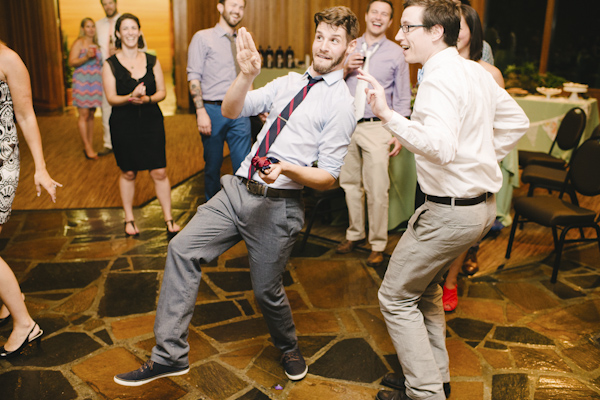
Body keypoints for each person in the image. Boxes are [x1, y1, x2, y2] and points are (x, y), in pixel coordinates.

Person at [113, 6, 358, 386]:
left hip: (278, 206)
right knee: (181, 249)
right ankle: (169, 356)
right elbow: (231, 109)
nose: (324, 46)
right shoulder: (288, 82)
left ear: (348, 46)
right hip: (237, 189)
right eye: (321, 37)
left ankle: (288, 344)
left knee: (265, 291)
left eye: (334, 40)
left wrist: (288, 169)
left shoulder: (341, 102)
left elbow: (328, 177)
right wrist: (245, 75)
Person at [358, 0, 529, 399]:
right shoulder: (474, 71)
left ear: (436, 32)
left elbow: (439, 147)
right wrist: (480, 158)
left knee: (395, 297)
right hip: (480, 209)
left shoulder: (437, 78)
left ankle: (424, 393)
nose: (399, 37)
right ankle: (437, 378)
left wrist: (387, 114)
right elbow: (516, 122)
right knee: (428, 290)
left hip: (450, 214)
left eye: (407, 28)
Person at [336, 0, 412, 267]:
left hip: (376, 127)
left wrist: (398, 132)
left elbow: (403, 96)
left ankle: (377, 244)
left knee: (378, 189)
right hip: (346, 125)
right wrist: (345, 67)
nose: (379, 17)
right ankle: (354, 234)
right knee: (349, 185)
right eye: (375, 12)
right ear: (366, 16)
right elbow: (329, 80)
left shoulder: (396, 52)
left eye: (385, 14)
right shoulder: (349, 46)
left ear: (390, 22)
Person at [441, 4, 506, 312]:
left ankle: (450, 281)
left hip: (473, 164)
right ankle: (431, 279)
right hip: (441, 161)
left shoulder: (490, 73)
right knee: (440, 224)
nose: (454, 31)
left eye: (460, 26)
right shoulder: (438, 68)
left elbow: (502, 124)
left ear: (473, 31)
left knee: (464, 227)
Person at [0, 41, 61, 358]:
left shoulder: (8, 59)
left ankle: (24, 323)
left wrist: (41, 168)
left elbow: (25, 115)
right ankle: (5, 302)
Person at [101, 14, 180, 238]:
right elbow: (110, 98)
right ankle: (129, 218)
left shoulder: (152, 60)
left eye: (133, 28)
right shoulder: (110, 65)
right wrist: (130, 97)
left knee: (160, 170)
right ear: (118, 34)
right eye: (124, 28)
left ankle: (169, 218)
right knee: (128, 172)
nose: (129, 32)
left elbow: (163, 92)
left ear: (139, 31)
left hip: (151, 121)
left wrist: (146, 99)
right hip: (123, 124)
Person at [187, 0, 252, 201]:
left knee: (244, 165)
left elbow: (248, 75)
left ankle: (244, 211)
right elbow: (194, 76)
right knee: (212, 167)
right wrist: (200, 112)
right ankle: (213, 214)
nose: (237, 11)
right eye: (233, 5)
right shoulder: (203, 37)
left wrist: (254, 105)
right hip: (213, 110)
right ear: (220, 6)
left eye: (241, 7)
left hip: (241, 110)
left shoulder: (243, 40)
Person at [69, 17, 103, 160]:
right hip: (82, 82)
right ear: (82, 28)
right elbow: (71, 62)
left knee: (91, 114)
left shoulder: (97, 45)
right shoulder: (79, 43)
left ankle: (90, 144)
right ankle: (87, 146)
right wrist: (86, 57)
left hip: (95, 82)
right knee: (83, 114)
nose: (91, 29)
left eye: (93, 26)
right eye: (88, 26)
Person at [95, 0, 120, 156]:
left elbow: (141, 45)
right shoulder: (98, 25)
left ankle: (127, 140)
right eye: (105, 4)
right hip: (105, 71)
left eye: (110, 3)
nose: (108, 6)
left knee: (127, 104)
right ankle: (108, 143)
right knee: (106, 107)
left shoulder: (126, 21)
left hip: (124, 69)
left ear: (116, 3)